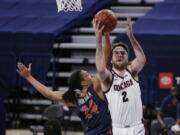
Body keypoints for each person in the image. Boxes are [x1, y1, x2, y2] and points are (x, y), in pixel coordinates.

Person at [17, 22, 112, 135]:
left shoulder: (95, 87)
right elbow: (49, 94)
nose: (91, 76)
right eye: (87, 75)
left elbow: (106, 62)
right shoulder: (73, 97)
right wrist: (29, 77)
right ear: (82, 83)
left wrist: (106, 36)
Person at [94, 16, 146, 135]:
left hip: (137, 127)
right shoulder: (109, 78)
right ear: (111, 60)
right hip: (119, 129)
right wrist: (98, 39)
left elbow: (142, 59)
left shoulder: (132, 71)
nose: (119, 55)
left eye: (123, 53)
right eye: (116, 53)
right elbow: (101, 69)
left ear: (128, 59)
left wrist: (131, 36)